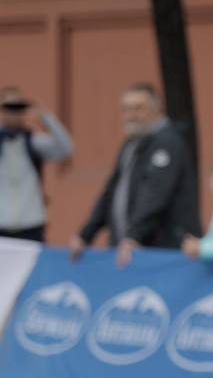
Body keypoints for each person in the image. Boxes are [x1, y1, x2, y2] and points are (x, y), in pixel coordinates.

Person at [71, 82, 200, 267]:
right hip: (129, 250)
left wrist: (133, 236)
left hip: (160, 252)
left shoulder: (168, 143)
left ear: (157, 109)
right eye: (125, 109)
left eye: (138, 109)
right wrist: (86, 235)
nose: (130, 115)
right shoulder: (131, 145)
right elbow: (110, 191)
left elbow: (155, 195)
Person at [0, 86, 74, 242]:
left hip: (31, 227)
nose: (14, 113)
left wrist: (46, 117)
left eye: (19, 107)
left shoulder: (33, 141)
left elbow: (66, 148)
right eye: (9, 107)